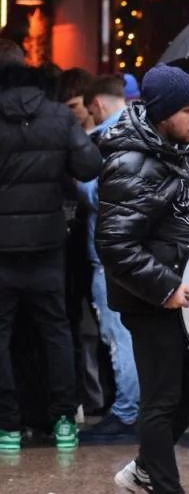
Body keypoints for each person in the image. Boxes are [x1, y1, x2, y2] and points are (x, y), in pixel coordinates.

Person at [96, 65, 189, 493]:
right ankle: (162, 484)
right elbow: (114, 243)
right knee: (161, 398)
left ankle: (145, 468)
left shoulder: (180, 148)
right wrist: (164, 287)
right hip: (150, 297)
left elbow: (187, 213)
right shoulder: (131, 162)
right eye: (188, 109)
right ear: (163, 112)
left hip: (182, 289)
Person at [0, 63, 101, 452]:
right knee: (56, 331)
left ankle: (8, 426)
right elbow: (89, 166)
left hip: (2, 250)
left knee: (2, 336)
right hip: (47, 247)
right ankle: (63, 421)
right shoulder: (59, 116)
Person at [77, 75, 140, 439]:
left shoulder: (103, 139)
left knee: (118, 335)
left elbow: (93, 195)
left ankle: (127, 411)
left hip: (108, 252)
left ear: (98, 104)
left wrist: (78, 180)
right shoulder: (145, 130)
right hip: (139, 251)